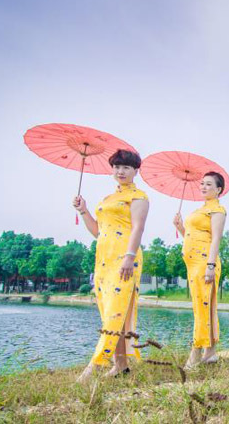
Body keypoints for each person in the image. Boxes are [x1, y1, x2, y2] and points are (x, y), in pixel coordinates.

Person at [73, 149, 149, 382]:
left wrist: (129, 256)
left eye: (126, 167)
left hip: (125, 257)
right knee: (110, 313)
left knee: (115, 313)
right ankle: (120, 365)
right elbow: (98, 231)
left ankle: (94, 366)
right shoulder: (107, 199)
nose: (120, 171)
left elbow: (138, 228)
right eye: (116, 167)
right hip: (103, 259)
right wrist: (84, 210)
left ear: (136, 171)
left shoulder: (139, 197)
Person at [173, 172, 227, 369]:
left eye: (209, 184)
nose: (203, 187)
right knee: (203, 307)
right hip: (193, 263)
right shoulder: (199, 210)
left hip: (205, 263)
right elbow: (191, 236)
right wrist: (180, 227)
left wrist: (211, 265)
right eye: (202, 183)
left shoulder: (217, 210)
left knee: (203, 308)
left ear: (218, 189)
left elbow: (216, 239)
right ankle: (210, 352)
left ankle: (196, 352)